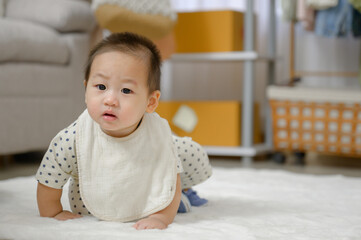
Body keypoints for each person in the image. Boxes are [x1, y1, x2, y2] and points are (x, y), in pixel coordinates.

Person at [35, 32, 212, 230]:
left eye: (126, 90)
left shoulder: (158, 136)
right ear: (86, 90)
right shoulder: (75, 137)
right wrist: (53, 212)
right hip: (91, 206)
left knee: (190, 153)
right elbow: (50, 176)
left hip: (148, 180)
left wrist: (161, 216)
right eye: (101, 86)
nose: (110, 99)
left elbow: (171, 178)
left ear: (150, 102)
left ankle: (183, 195)